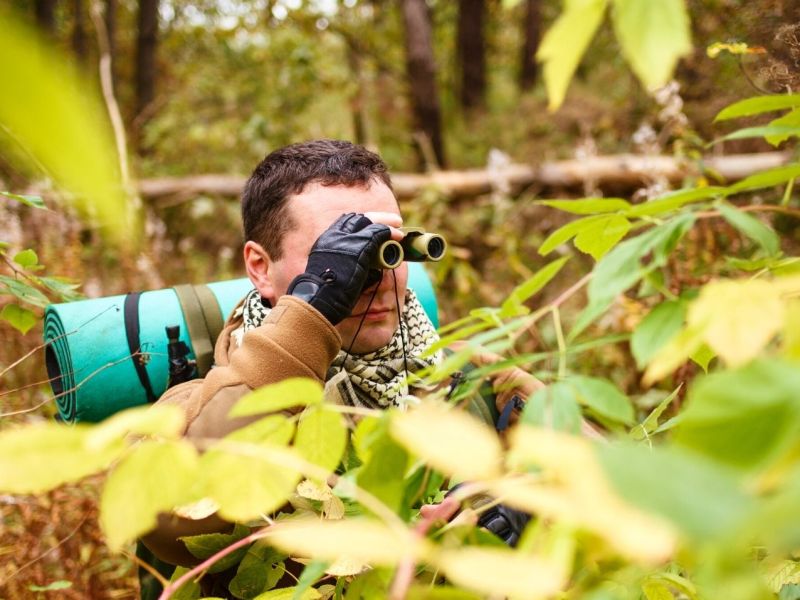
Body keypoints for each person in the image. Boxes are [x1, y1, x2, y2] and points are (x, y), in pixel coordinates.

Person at [140, 139, 546, 579]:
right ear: (260, 266)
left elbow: (612, 486)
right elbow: (170, 519)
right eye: (338, 253)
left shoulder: (472, 377)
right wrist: (317, 302)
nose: (375, 277)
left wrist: (529, 505)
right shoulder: (194, 403)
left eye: (388, 248)